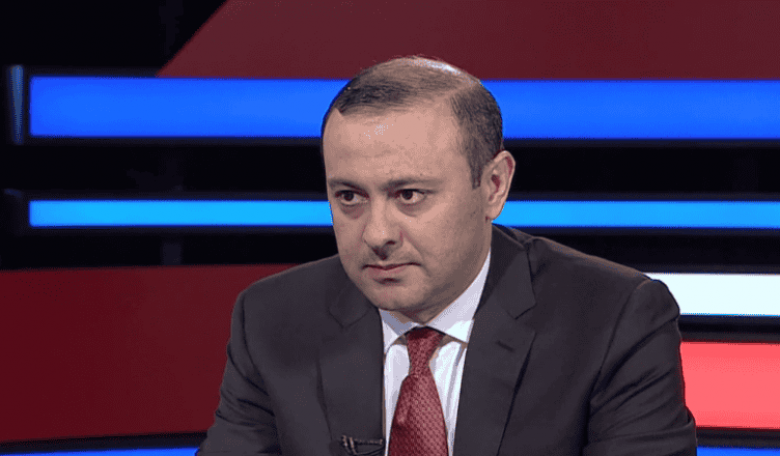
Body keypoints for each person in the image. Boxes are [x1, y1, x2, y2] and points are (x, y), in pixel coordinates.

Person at [198, 56, 697, 456]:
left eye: (409, 195)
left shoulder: (612, 320)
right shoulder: (273, 319)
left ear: (494, 186)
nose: (376, 234)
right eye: (349, 196)